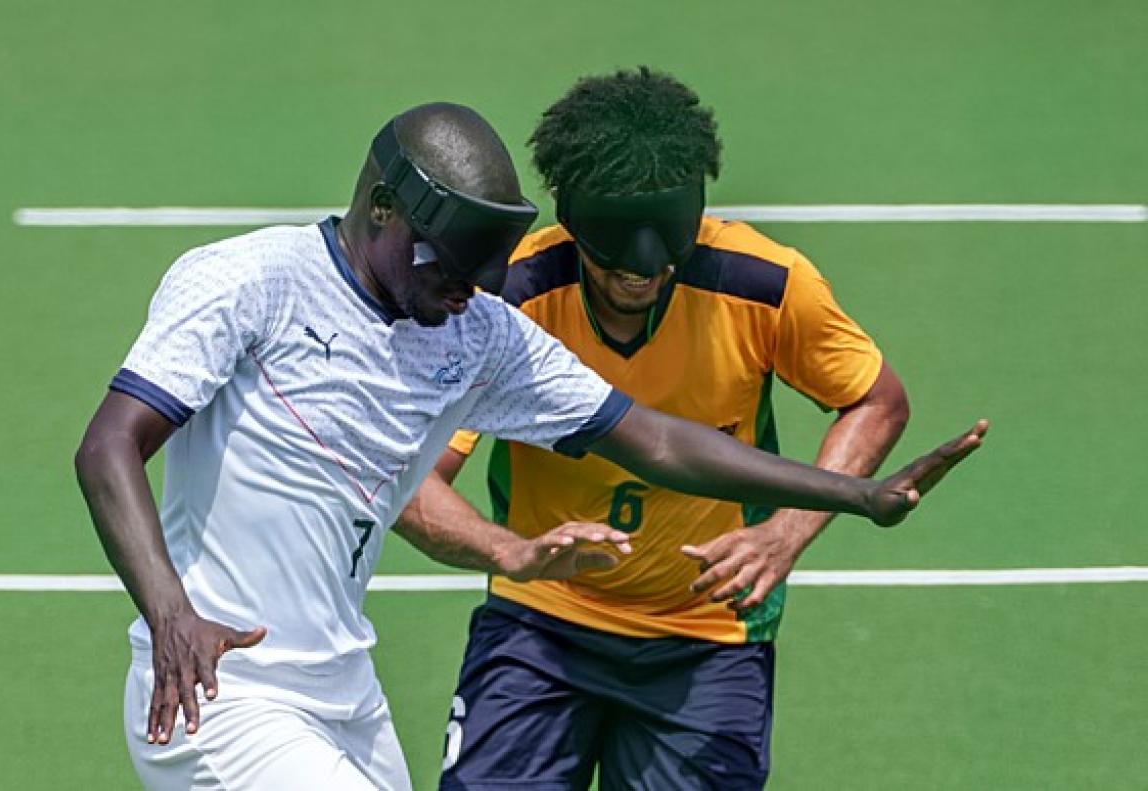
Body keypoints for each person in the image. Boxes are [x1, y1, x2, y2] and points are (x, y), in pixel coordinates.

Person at [76, 101, 983, 791]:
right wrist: (169, 615)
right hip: (219, 686)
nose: (470, 290)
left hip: (345, 693)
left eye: (482, 271)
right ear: (384, 210)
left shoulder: (473, 333)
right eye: (449, 264)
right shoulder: (248, 281)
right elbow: (111, 444)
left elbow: (657, 440)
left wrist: (848, 496)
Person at [398, 69, 957, 790]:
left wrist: (783, 534)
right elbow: (414, 478)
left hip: (707, 637)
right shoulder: (513, 300)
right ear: (573, 219)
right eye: (614, 254)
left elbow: (875, 400)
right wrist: (516, 553)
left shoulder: (764, 284)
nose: (643, 272)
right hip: (541, 627)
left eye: (666, 252)